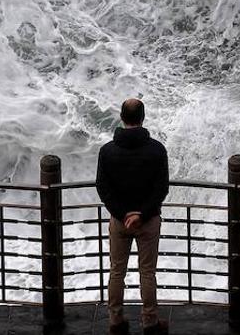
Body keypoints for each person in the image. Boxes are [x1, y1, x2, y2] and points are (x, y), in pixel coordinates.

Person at [95, 98, 170, 335]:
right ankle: (150, 322)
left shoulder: (107, 151)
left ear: (122, 117)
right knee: (147, 273)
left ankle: (116, 321)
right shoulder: (157, 150)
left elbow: (102, 187)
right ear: (143, 117)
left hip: (119, 221)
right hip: (148, 220)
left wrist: (122, 214)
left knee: (117, 271)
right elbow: (161, 188)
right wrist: (141, 214)